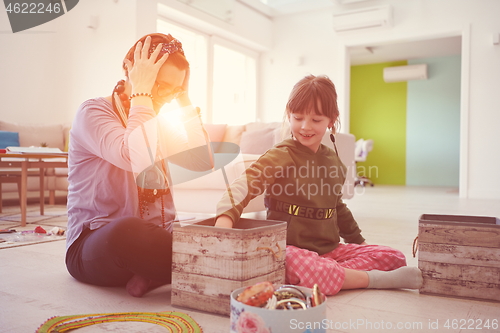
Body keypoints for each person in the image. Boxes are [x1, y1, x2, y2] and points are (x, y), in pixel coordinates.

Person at [215, 75, 422, 295]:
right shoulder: (281, 154)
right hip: (290, 250)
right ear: (289, 115)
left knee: (393, 257)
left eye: (316, 120)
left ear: (331, 120)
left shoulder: (333, 161)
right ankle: (369, 280)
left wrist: (358, 243)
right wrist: (224, 224)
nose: (305, 127)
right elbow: (245, 184)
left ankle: (332, 276)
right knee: (295, 263)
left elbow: (338, 207)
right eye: (298, 118)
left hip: (330, 252)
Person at [65, 33, 213, 297]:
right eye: (156, 82)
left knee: (219, 224)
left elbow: (201, 161)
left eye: (171, 88)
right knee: (128, 231)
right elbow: (134, 158)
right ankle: (194, 265)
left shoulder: (157, 123)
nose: (163, 95)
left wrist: (184, 100)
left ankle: (155, 271)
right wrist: (142, 93)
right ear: (129, 68)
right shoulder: (92, 112)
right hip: (98, 245)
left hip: (155, 241)